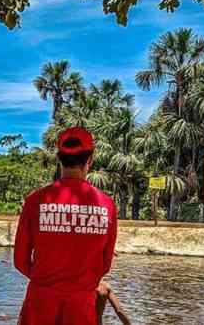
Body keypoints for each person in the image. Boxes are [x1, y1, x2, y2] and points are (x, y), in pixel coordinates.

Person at [14, 127, 118, 325]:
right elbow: (105, 264)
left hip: (40, 303)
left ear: (59, 158)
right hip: (81, 307)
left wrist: (47, 281)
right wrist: (76, 283)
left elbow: (20, 261)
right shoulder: (106, 205)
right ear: (90, 160)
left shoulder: (35, 200)